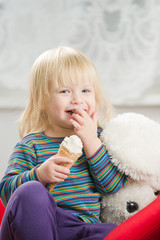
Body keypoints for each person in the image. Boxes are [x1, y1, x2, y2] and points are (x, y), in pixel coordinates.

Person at [0, 46, 128, 240]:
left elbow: (112, 186)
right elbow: (7, 193)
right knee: (30, 191)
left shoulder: (101, 137)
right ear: (42, 100)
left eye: (85, 90)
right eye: (65, 91)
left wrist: (91, 140)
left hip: (82, 228)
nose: (77, 99)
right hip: (41, 226)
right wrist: (39, 175)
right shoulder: (31, 145)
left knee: (115, 232)